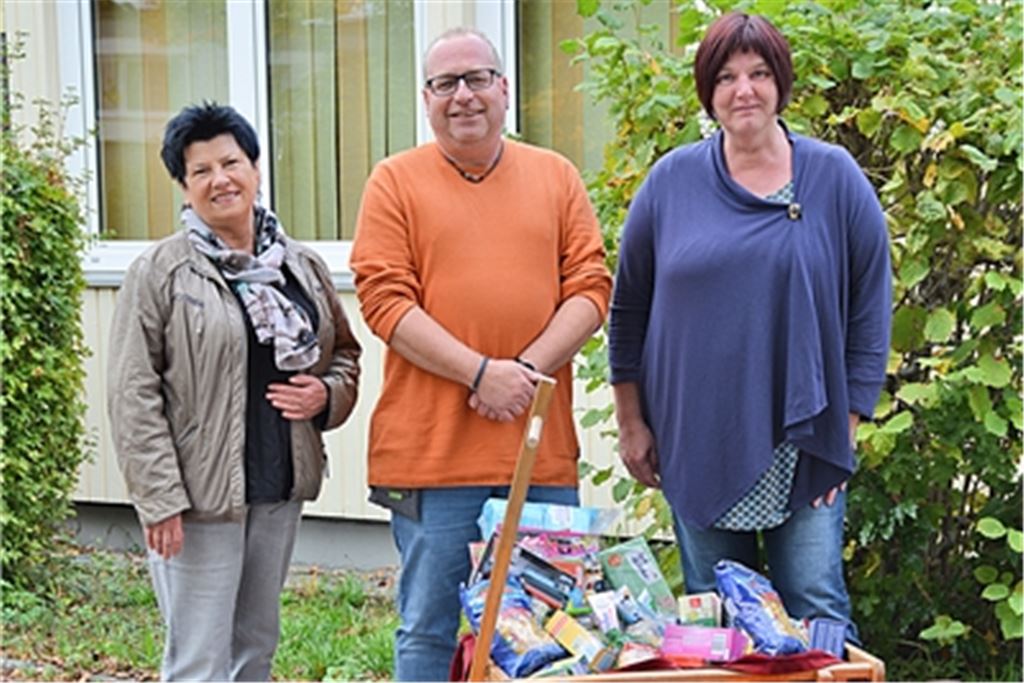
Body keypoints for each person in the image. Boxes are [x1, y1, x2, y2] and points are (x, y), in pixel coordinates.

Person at [609, 12, 891, 642]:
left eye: (760, 74)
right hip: (695, 436)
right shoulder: (670, 183)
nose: (745, 91)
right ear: (708, 91)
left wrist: (845, 428)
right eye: (728, 76)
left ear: (780, 83)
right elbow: (627, 311)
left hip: (805, 440)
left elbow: (870, 305)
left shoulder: (834, 177)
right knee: (718, 622)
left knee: (815, 608)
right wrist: (632, 423)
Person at [350, 27, 611, 681]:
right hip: (432, 460)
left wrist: (522, 372)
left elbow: (590, 286)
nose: (462, 95)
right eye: (446, 84)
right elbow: (384, 301)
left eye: (476, 79)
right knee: (429, 630)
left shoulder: (556, 177)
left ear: (505, 89)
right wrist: (478, 373)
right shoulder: (393, 183)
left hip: (540, 454)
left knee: (552, 632)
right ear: (426, 98)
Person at [107, 102, 361, 681]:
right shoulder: (160, 273)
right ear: (184, 185)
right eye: (201, 171)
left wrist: (325, 395)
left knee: (255, 650)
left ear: (255, 169)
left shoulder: (300, 266)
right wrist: (159, 499)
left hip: (276, 486)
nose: (220, 179)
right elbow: (132, 394)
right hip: (197, 500)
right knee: (199, 660)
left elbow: (345, 354)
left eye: (231, 162)